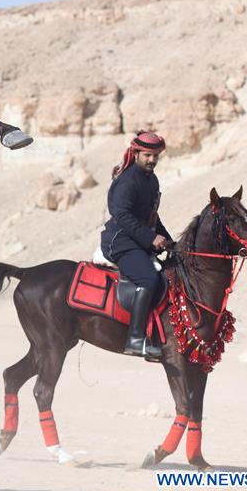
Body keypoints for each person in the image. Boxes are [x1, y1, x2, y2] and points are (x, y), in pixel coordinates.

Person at [100, 131, 173, 359]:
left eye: (155, 156)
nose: (151, 160)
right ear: (136, 153)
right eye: (147, 155)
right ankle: (135, 338)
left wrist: (168, 239)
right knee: (148, 278)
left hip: (138, 241)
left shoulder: (152, 180)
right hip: (120, 242)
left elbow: (151, 216)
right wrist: (151, 239)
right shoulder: (128, 179)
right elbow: (121, 215)